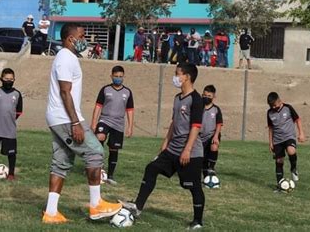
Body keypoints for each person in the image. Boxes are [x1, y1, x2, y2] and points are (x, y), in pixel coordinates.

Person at [43, 23, 122, 224]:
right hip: (65, 118)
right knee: (95, 151)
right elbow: (64, 91)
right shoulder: (65, 58)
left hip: (60, 117)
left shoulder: (68, 57)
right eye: (82, 35)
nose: (85, 39)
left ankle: (51, 213)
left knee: (61, 162)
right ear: (71, 38)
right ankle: (96, 205)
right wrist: (75, 122)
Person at [121, 63, 206, 230]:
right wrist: (164, 145)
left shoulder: (196, 99)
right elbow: (174, 123)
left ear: (187, 77)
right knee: (151, 168)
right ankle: (138, 207)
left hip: (191, 152)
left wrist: (187, 150)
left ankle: (197, 221)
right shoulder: (177, 98)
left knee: (192, 186)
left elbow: (196, 126)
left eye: (177, 74)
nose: (175, 77)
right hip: (172, 149)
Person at [91, 65, 134, 185]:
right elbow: (98, 106)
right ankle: (96, 169)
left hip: (118, 124)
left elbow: (130, 109)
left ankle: (110, 175)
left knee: (114, 149)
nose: (118, 78)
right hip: (104, 120)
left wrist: (130, 126)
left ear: (124, 77)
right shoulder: (105, 89)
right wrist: (94, 122)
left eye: (120, 77)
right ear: (111, 76)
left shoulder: (127, 92)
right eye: (116, 76)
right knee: (99, 137)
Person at [267, 92, 306, 191]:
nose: (273, 107)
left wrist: (301, 133)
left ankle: (293, 168)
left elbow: (298, 120)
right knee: (279, 161)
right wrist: (270, 142)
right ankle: (280, 184)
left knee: (291, 151)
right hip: (277, 140)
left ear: (279, 101)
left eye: (275, 105)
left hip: (289, 136)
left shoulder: (288, 108)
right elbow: (270, 128)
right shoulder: (269, 113)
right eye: (271, 106)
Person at [201, 85, 223, 179]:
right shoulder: (198, 107)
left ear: (213, 97)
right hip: (200, 137)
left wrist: (216, 136)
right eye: (204, 95)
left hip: (212, 135)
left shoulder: (216, 109)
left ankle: (211, 168)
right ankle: (206, 175)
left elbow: (219, 124)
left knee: (214, 146)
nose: (206, 98)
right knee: (202, 158)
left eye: (209, 96)